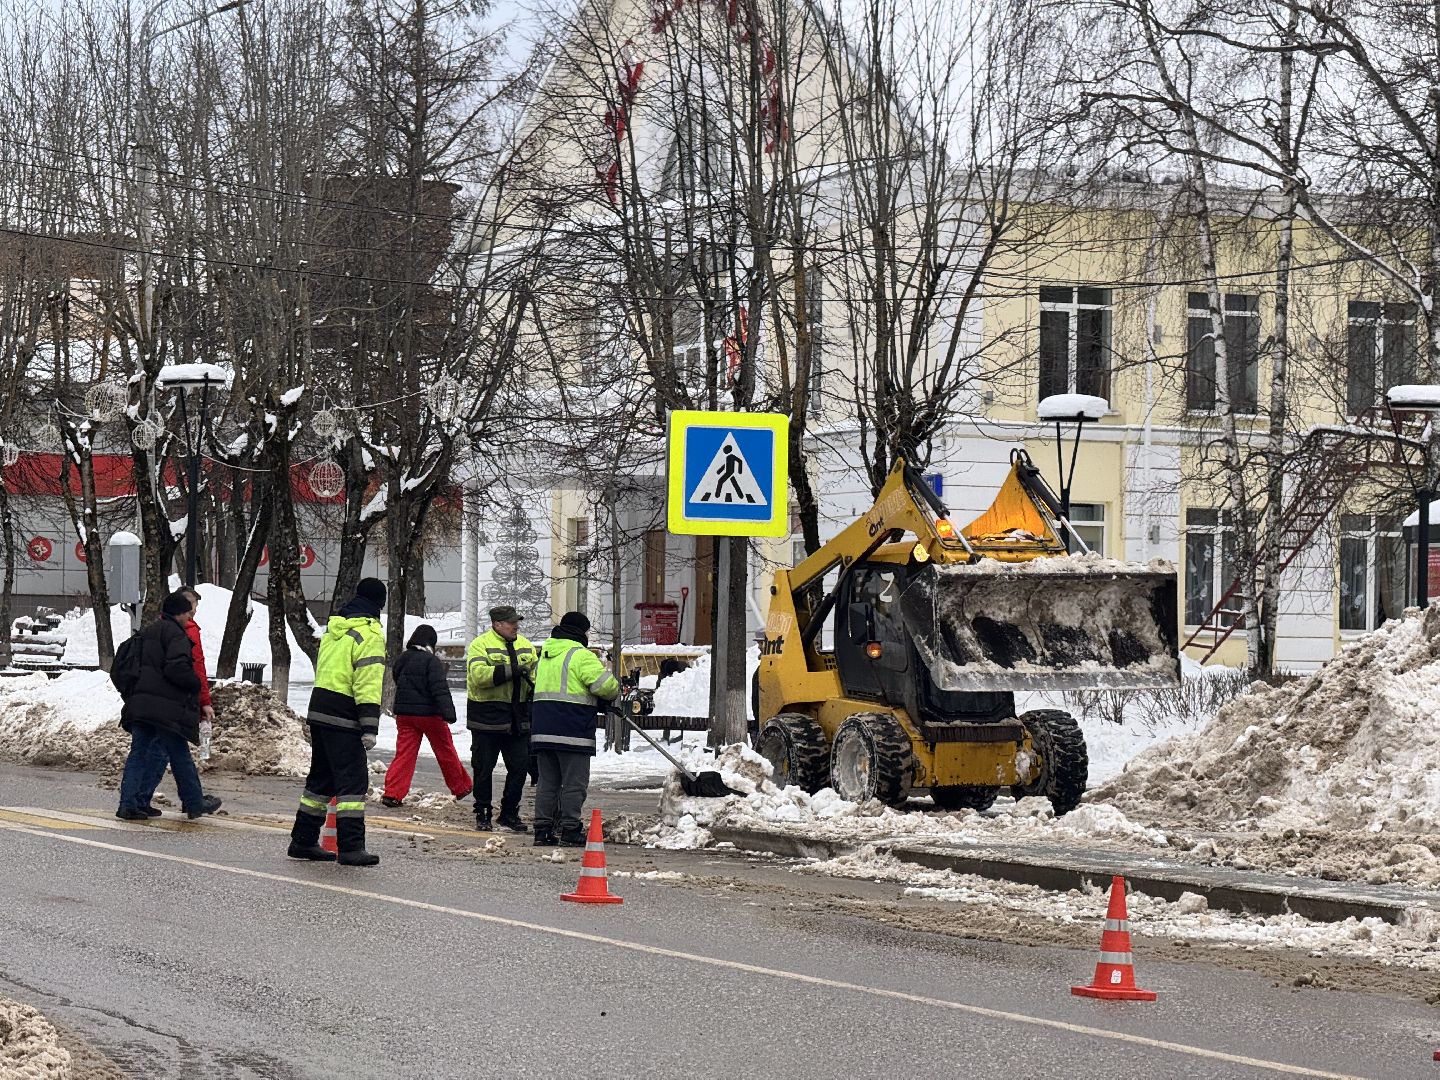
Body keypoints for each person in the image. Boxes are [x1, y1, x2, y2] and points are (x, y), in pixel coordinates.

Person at [288, 577, 386, 866]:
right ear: (379, 604)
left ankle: (302, 840)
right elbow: (367, 682)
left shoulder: (335, 630)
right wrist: (369, 726)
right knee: (352, 783)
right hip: (344, 716)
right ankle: (351, 848)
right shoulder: (368, 634)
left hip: (320, 710)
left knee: (320, 781)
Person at [116, 591, 222, 821]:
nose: (189, 617)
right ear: (179, 613)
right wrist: (194, 685)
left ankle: (128, 804)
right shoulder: (176, 634)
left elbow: (125, 666)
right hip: (164, 709)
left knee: (139, 754)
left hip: (141, 706)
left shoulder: (147, 631)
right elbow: (176, 669)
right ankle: (194, 803)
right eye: (187, 613)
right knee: (180, 754)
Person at [529, 610, 619, 847]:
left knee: (547, 782)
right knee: (574, 783)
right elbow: (606, 687)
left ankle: (542, 829)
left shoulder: (545, 655)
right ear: (582, 631)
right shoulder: (581, 655)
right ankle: (570, 828)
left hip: (543, 728)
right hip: (573, 729)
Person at [381, 624, 472, 807]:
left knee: (404, 754)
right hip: (430, 715)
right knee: (444, 750)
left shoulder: (403, 659)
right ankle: (461, 786)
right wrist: (449, 713)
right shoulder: (432, 662)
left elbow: (398, 679)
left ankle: (392, 793)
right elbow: (439, 689)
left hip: (405, 716)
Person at [465, 604, 537, 833]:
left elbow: (535, 675)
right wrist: (510, 671)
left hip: (518, 717)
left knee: (519, 766)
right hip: (487, 717)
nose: (516, 626)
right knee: (484, 767)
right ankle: (483, 812)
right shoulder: (480, 645)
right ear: (497, 624)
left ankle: (509, 813)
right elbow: (479, 677)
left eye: (517, 622)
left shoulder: (526, 645)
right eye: (511, 622)